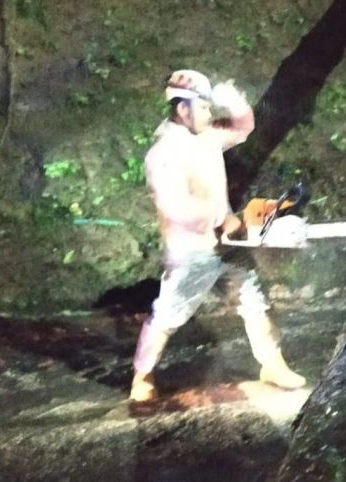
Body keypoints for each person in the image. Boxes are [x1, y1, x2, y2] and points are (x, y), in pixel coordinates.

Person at [129, 69, 307, 402]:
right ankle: (143, 375)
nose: (210, 114)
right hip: (190, 250)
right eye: (204, 107)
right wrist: (222, 218)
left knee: (255, 302)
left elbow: (243, 128)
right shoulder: (163, 153)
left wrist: (232, 100)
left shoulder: (207, 136)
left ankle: (272, 364)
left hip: (227, 244)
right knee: (168, 314)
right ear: (183, 110)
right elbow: (175, 206)